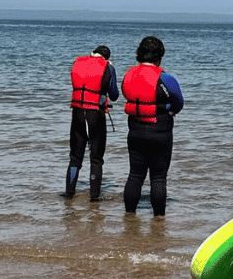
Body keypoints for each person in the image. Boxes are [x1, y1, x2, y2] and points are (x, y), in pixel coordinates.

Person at [121, 36, 184, 217]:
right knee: (158, 178)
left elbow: (125, 94)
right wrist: (169, 109)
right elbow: (179, 102)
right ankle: (158, 221)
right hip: (160, 132)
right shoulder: (165, 78)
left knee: (135, 176)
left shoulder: (129, 75)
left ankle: (129, 217)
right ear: (160, 56)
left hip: (135, 131)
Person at [65, 43, 118, 201]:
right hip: (96, 115)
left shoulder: (78, 63)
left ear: (93, 53)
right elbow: (114, 94)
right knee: (96, 158)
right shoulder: (108, 67)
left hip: (78, 113)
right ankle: (94, 198)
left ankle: (69, 194)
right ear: (107, 58)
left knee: (75, 157)